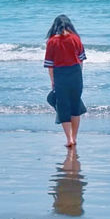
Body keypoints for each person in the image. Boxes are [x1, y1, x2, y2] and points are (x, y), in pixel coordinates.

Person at [44, 14, 87, 148]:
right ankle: (74, 137)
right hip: (76, 74)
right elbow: (81, 61)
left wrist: (52, 81)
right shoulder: (76, 39)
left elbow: (50, 66)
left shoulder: (51, 41)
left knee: (63, 107)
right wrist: (79, 75)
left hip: (60, 75)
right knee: (75, 106)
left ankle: (69, 139)